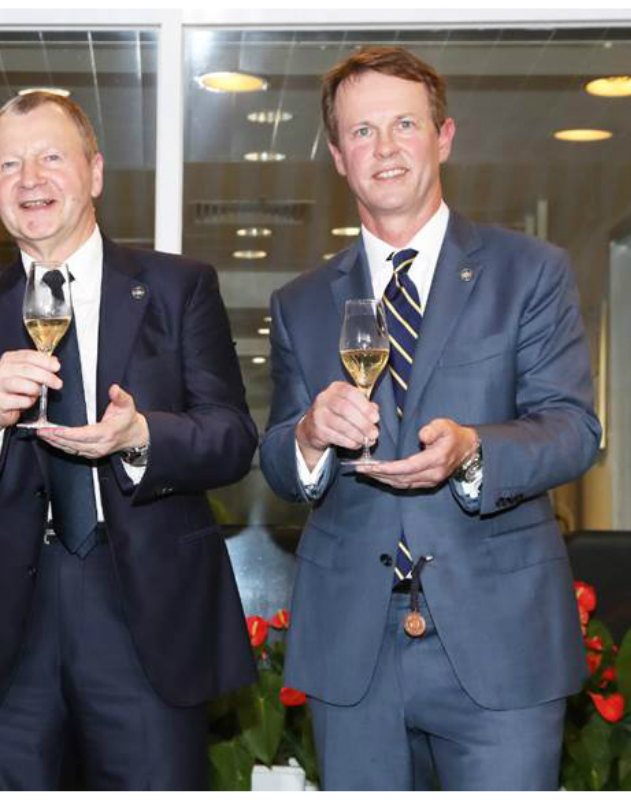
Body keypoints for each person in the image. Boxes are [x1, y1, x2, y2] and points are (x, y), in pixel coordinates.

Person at [260, 46, 601, 790]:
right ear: (337, 157)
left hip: (502, 639)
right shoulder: (298, 303)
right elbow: (280, 463)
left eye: (404, 125)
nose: (383, 149)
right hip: (353, 650)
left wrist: (475, 449)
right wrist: (311, 434)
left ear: (443, 137)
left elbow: (575, 429)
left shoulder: (530, 272)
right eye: (361, 132)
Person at [0, 91, 258, 790]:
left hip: (145, 614)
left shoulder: (179, 288)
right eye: (9, 164)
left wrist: (142, 435)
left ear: (94, 173)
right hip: (7, 623)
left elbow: (232, 436)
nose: (29, 179)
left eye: (50, 158)